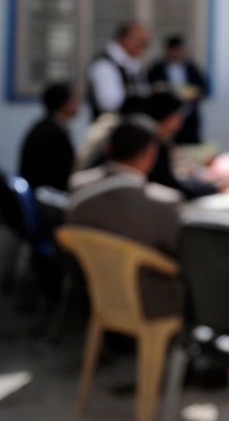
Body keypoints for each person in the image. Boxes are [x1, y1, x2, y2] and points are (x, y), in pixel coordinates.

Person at [67, 115, 183, 317]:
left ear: (108, 148)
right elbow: (180, 252)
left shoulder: (78, 184)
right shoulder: (163, 202)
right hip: (147, 299)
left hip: (94, 290)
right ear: (150, 152)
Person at [142, 91, 222, 200]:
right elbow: (171, 187)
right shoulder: (154, 145)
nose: (181, 120)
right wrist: (213, 188)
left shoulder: (153, 140)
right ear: (170, 115)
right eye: (179, 114)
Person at [147, 35, 209, 145]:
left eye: (178, 50)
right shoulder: (157, 68)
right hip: (165, 118)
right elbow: (150, 89)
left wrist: (192, 94)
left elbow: (203, 89)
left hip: (189, 118)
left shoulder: (191, 68)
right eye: (173, 50)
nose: (175, 53)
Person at [18, 82, 79, 192]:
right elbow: (64, 174)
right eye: (74, 100)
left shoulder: (46, 126)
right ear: (63, 103)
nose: (78, 104)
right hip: (46, 198)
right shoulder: (52, 134)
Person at [86, 21, 151, 121]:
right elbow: (109, 104)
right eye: (140, 42)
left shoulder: (134, 63)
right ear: (125, 39)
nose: (143, 47)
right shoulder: (104, 65)